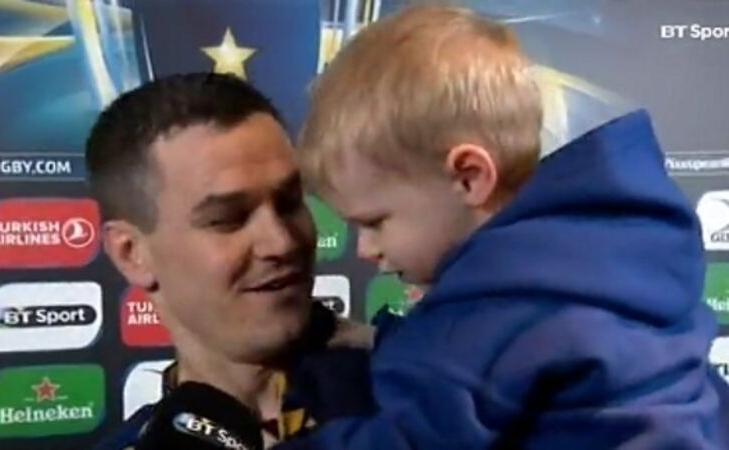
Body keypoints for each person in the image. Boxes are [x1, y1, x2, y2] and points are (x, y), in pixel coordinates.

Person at [273, 5, 729, 449]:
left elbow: (409, 437)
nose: (366, 248)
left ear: (469, 177)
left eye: (375, 222)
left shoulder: (488, 317)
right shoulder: (615, 256)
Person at [86, 72, 374, 450]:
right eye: (229, 219)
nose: (281, 242)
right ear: (130, 253)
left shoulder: (424, 387)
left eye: (289, 202)